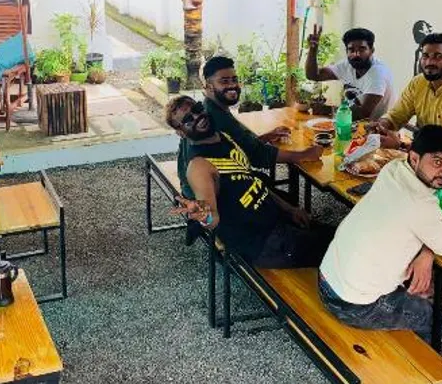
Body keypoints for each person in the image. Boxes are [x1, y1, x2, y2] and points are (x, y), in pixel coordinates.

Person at [319, 125, 442, 343]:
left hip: (328, 278)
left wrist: (427, 253)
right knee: (441, 322)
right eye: (438, 162)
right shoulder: (420, 204)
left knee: (418, 285)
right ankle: (414, 362)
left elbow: (422, 223)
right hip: (352, 305)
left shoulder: (393, 168)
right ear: (415, 158)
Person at [167, 95, 335, 268]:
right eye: (188, 119)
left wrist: (289, 209)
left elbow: (252, 182)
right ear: (180, 132)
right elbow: (212, 218)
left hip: (276, 221)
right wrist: (203, 215)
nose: (197, 117)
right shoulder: (199, 167)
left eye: (197, 109)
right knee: (339, 251)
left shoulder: (223, 137)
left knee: (337, 235)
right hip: (265, 244)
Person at [177, 56, 323, 202]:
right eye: (224, 81)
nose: (232, 85)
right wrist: (305, 154)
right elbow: (257, 155)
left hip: (203, 183)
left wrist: (265, 137)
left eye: (234, 79)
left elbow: (238, 145)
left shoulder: (211, 107)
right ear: (209, 86)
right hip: (208, 194)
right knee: (286, 200)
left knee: (271, 186)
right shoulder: (214, 117)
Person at [371, 33, 442, 145]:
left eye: (438, 57)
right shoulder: (418, 83)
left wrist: (400, 145)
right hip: (425, 149)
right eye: (425, 56)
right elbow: (396, 116)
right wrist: (381, 126)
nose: (429, 62)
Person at [305, 26, 394, 120]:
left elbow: (362, 113)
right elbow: (314, 75)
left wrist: (328, 110)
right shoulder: (346, 65)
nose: (356, 54)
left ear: (372, 50)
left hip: (378, 128)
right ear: (346, 51)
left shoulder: (378, 73)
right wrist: (313, 49)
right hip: (350, 123)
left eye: (362, 49)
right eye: (351, 50)